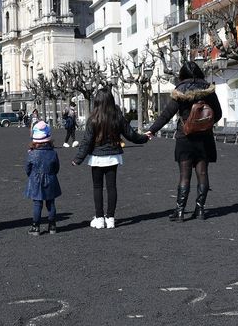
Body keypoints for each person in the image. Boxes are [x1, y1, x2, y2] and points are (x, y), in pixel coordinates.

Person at [146, 62, 223, 222]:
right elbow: (219, 114)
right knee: (202, 173)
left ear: (182, 74)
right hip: (205, 138)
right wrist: (204, 122)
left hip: (185, 137)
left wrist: (152, 130)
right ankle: (200, 210)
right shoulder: (208, 90)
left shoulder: (180, 91)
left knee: (184, 175)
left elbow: (166, 115)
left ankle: (180, 212)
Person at [71, 88, 148, 229]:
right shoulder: (117, 116)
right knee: (112, 187)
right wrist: (144, 138)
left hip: (97, 157)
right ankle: (111, 218)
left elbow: (87, 141)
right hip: (113, 156)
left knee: (98, 187)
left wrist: (78, 159)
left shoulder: (93, 118)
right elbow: (130, 134)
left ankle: (99, 218)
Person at [24, 121, 62, 236]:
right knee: (51, 203)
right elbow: (57, 168)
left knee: (37, 204)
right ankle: (52, 226)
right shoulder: (53, 153)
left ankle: (36, 227)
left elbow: (27, 169)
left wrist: (32, 176)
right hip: (51, 178)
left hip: (35, 180)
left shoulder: (31, 154)